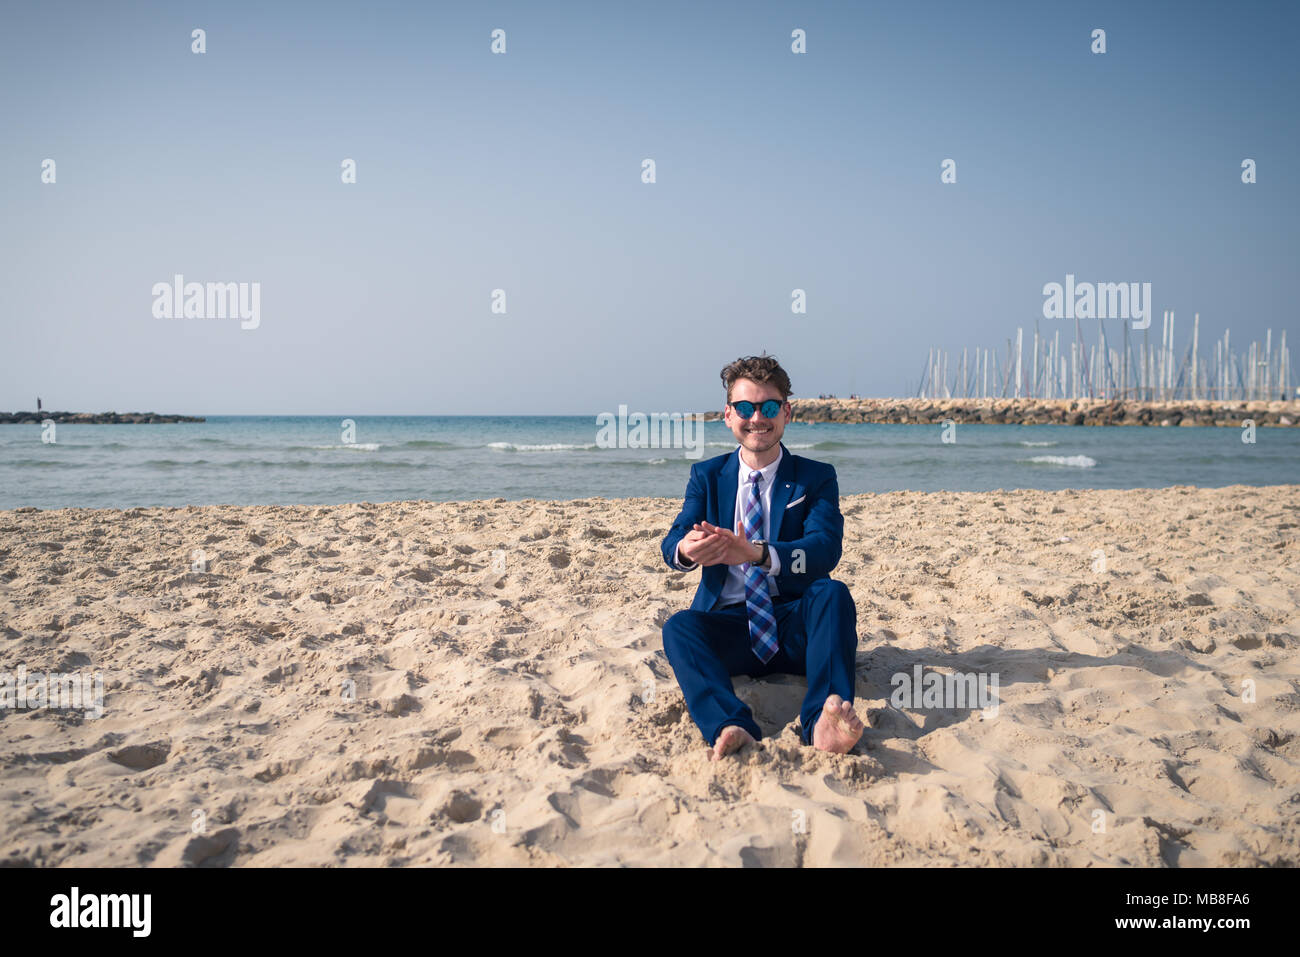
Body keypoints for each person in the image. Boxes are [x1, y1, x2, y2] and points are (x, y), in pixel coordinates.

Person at [660, 354, 865, 761]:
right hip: (733, 627)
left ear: (786, 412)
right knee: (680, 627)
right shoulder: (707, 475)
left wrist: (757, 553)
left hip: (797, 627)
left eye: (769, 407)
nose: (757, 418)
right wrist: (688, 550)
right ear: (728, 414)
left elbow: (825, 550)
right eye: (745, 407)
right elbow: (674, 540)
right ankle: (731, 725)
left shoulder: (816, 476)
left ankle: (821, 723)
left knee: (832, 593)